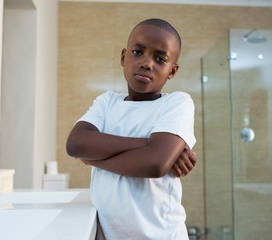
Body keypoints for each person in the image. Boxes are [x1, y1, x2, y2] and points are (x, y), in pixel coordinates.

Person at [66, 18, 196, 240]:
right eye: (138, 52)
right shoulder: (107, 102)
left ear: (172, 71)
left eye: (160, 58)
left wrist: (92, 158)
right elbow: (76, 144)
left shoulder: (176, 103)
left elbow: (154, 164)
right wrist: (148, 144)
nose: (147, 63)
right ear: (123, 56)